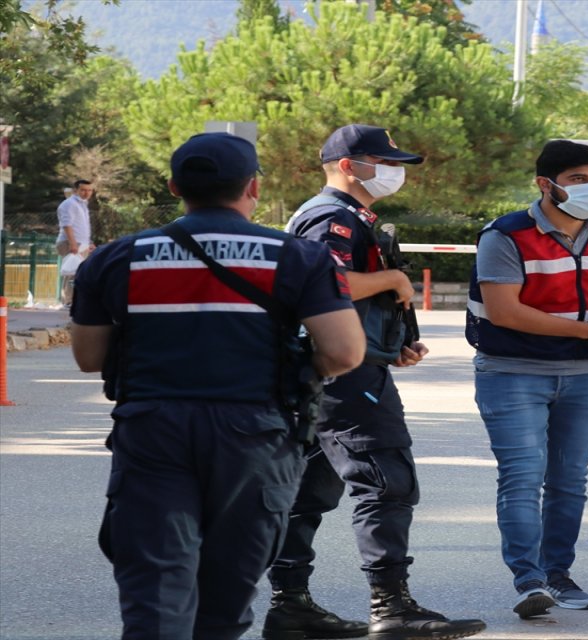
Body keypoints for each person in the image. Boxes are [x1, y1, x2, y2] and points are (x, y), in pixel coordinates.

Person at [69, 132, 366, 638]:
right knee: (225, 602)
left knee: (154, 597)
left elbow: (89, 356)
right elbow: (343, 353)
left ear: (173, 186)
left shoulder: (117, 258)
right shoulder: (296, 257)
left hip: (151, 430)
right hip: (255, 432)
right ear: (251, 187)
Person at [268, 124, 486, 640]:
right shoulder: (330, 216)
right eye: (383, 161)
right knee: (385, 479)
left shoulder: (339, 215)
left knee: (307, 491)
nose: (395, 171)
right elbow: (325, 282)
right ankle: (392, 608)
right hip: (341, 376)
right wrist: (392, 279)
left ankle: (291, 606)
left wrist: (389, 342)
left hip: (328, 370)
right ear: (348, 165)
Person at [466, 139, 588, 619]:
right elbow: (505, 312)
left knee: (570, 482)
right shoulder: (504, 235)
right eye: (578, 179)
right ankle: (529, 580)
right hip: (511, 372)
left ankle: (559, 575)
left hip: (583, 374)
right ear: (545, 185)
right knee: (524, 477)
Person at [56, 179, 94, 306]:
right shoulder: (69, 204)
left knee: (78, 273)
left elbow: (82, 227)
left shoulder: (83, 204)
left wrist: (89, 243)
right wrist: (72, 243)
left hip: (80, 244)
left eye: (89, 190)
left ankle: (74, 301)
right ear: (75, 190)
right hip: (70, 242)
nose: (86, 193)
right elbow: (67, 225)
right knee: (71, 273)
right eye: (83, 190)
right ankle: (68, 301)